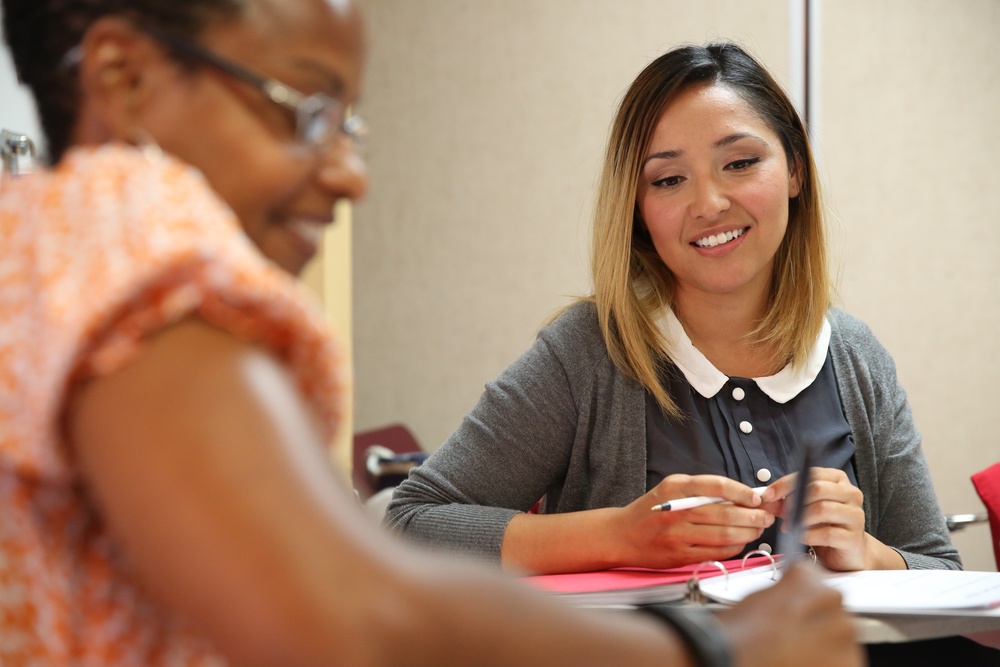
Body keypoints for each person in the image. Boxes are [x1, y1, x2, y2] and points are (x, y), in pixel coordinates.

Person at [0, 1, 865, 665]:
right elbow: (350, 609)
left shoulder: (40, 248)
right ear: (120, 79)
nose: (348, 174)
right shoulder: (128, 244)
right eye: (304, 111)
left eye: (349, 123)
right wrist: (715, 646)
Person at [385, 42, 961, 577]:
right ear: (637, 209)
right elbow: (410, 524)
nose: (708, 204)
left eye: (739, 163)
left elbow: (942, 574)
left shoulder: (857, 358)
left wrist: (868, 552)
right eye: (668, 179)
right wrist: (618, 536)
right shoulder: (589, 351)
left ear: (794, 170)